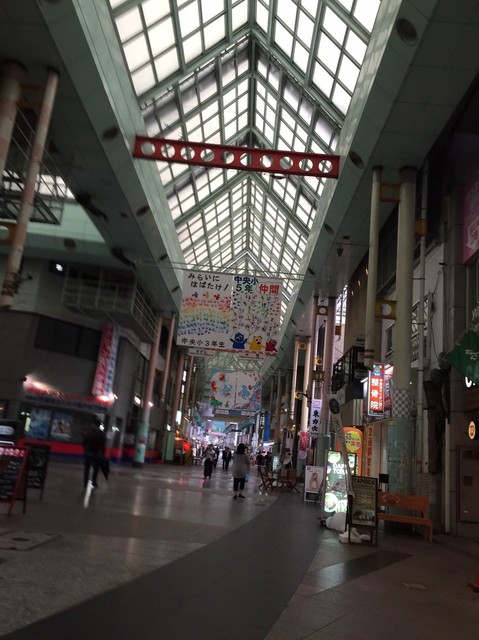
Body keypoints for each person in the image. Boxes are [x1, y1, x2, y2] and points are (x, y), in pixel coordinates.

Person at [83, 418, 106, 488]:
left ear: (93, 424)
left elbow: (84, 442)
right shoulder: (101, 433)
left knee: (87, 469)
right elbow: (103, 445)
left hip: (88, 453)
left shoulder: (88, 432)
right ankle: (94, 482)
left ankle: (85, 483)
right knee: (96, 469)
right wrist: (102, 454)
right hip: (97, 454)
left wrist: (86, 450)